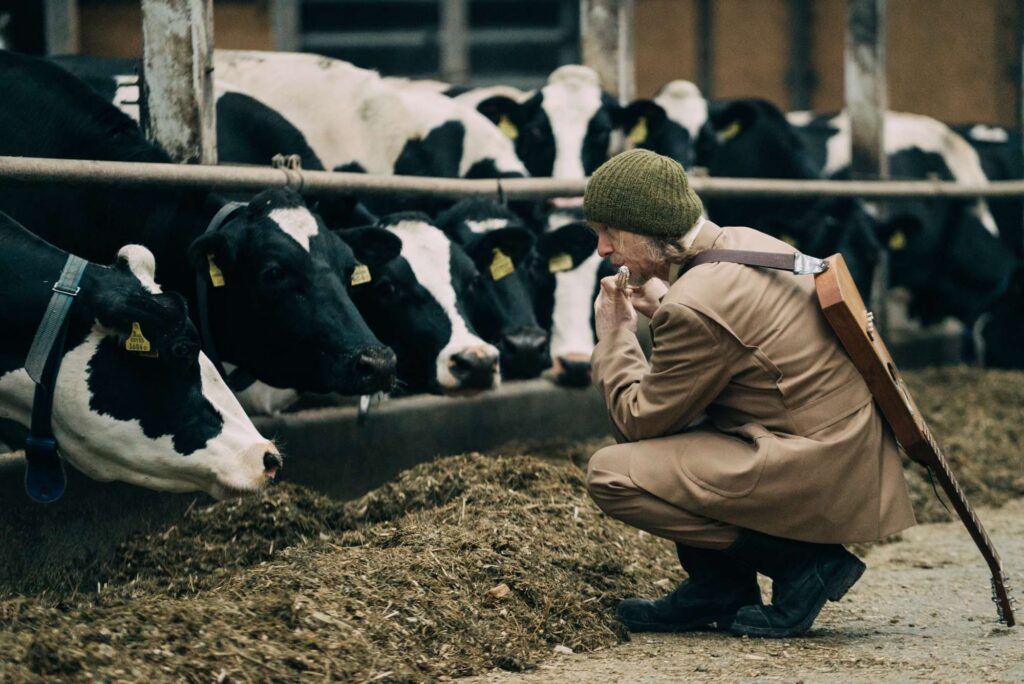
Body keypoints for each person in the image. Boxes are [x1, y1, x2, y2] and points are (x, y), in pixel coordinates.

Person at [583, 149, 915, 638]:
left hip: (814, 463)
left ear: (651, 229)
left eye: (611, 232)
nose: (602, 250)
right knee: (683, 430)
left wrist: (615, 338)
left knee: (612, 474)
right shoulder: (741, 242)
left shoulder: (695, 304)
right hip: (842, 442)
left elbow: (637, 421)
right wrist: (669, 305)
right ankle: (717, 587)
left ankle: (803, 565)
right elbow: (733, 339)